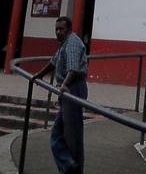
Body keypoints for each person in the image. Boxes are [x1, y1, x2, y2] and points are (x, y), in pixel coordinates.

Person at [37, 16, 88, 173]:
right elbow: (54, 61)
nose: (58, 32)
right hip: (67, 89)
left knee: (72, 135)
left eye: (61, 29)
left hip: (73, 88)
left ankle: (74, 168)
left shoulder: (72, 43)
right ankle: (68, 165)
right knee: (57, 135)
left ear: (70, 29)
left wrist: (65, 84)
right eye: (56, 29)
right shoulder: (64, 44)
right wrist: (38, 75)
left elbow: (72, 68)